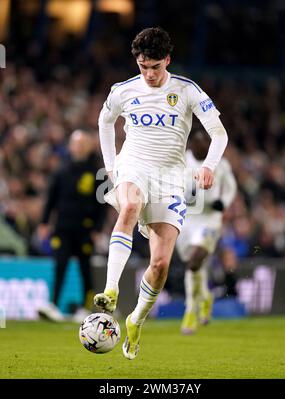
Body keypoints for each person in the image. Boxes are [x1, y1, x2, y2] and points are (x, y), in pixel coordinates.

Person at [95, 27, 228, 359]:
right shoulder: (123, 91)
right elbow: (104, 122)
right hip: (134, 166)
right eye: (143, 67)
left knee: (160, 263)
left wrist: (209, 165)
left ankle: (136, 319)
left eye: (155, 66)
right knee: (128, 207)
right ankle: (111, 289)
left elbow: (219, 133)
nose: (150, 74)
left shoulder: (187, 90)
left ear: (167, 60)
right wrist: (112, 167)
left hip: (170, 178)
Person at [37, 130, 107, 322]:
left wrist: (98, 229)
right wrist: (44, 223)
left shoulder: (96, 172)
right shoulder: (61, 170)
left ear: (89, 146)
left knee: (86, 269)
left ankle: (86, 308)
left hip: (85, 230)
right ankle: (52, 305)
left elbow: (102, 204)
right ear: (70, 146)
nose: (79, 147)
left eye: (83, 143)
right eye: (76, 143)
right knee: (60, 265)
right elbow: (50, 199)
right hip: (63, 228)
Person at [176, 130, 237, 334]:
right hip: (187, 218)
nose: (202, 146)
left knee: (195, 262)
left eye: (206, 143)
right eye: (198, 142)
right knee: (193, 266)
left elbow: (231, 187)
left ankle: (190, 311)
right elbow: (175, 186)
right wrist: (188, 192)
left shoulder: (220, 162)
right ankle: (205, 296)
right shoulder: (182, 160)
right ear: (191, 144)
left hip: (210, 219)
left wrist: (224, 202)